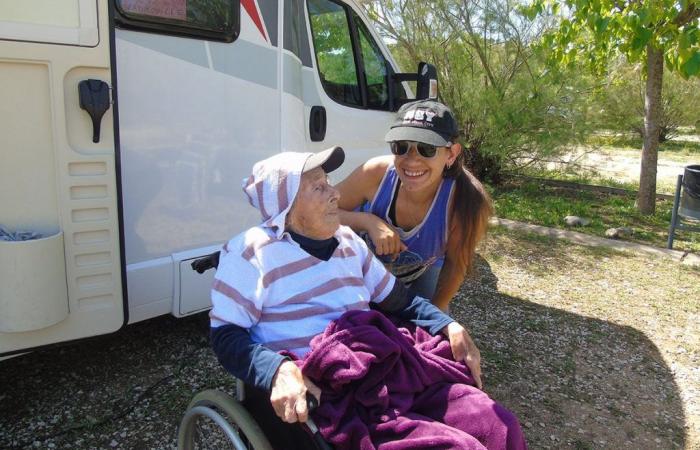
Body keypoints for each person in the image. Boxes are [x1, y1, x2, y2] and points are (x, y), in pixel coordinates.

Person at [209, 147, 525, 449]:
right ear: (285, 205)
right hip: (326, 387)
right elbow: (227, 337)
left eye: (329, 182)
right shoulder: (250, 253)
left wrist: (448, 325)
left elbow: (401, 301)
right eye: (318, 188)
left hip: (382, 372)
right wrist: (277, 370)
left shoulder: (348, 242)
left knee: (497, 424)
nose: (335, 193)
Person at [335, 100, 493, 312]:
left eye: (426, 149)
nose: (411, 161)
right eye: (401, 147)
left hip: (423, 270)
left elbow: (456, 264)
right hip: (361, 268)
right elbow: (320, 212)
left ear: (452, 154)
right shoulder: (375, 174)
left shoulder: (465, 202)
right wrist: (368, 222)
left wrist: (435, 317)